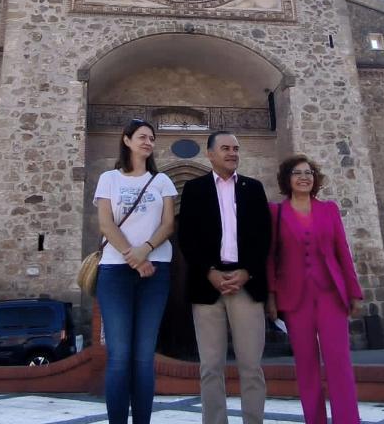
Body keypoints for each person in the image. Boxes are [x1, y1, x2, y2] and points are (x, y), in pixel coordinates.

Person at [179, 131, 271, 424]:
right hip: (208, 286)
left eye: (236, 148)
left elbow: (263, 236)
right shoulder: (194, 189)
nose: (232, 153)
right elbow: (187, 237)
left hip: (247, 282)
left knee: (251, 366)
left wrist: (247, 271)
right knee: (210, 367)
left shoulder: (253, 188)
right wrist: (209, 271)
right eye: (225, 148)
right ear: (210, 154)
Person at [266, 155, 363, 424]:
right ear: (287, 179)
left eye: (308, 173)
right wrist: (271, 296)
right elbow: (271, 257)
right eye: (297, 173)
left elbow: (342, 252)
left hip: (331, 294)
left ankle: (348, 420)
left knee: (339, 363)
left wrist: (354, 292)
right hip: (295, 299)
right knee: (306, 366)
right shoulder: (277, 213)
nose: (304, 177)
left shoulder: (329, 209)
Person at [93, 119, 178, 424]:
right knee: (119, 357)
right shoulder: (109, 179)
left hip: (155, 272)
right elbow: (105, 224)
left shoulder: (162, 181)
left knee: (144, 358)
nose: (148, 142)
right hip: (115, 272)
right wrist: (135, 257)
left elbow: (168, 224)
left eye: (152, 138)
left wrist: (146, 249)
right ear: (126, 140)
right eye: (142, 137)